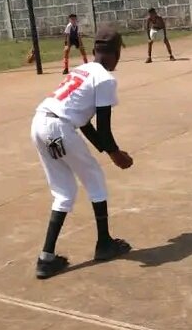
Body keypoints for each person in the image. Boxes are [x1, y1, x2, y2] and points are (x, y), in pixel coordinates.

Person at [31, 26, 133, 279]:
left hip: (39, 123)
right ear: (115, 53)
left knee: (64, 192)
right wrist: (114, 153)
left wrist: (105, 149)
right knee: (95, 180)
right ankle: (104, 244)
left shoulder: (83, 69)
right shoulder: (106, 79)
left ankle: (46, 259)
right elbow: (104, 127)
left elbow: (85, 122)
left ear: (96, 49)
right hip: (59, 127)